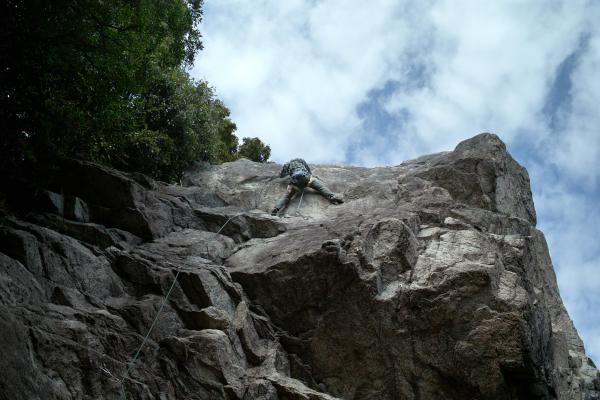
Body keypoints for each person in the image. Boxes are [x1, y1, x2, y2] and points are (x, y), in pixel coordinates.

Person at [271, 158, 343, 216]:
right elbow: (308, 170)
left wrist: (285, 173)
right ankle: (332, 197)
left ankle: (277, 208)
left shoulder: (287, 165)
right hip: (306, 178)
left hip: (294, 182)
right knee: (320, 187)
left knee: (287, 196)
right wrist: (310, 176)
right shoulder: (300, 160)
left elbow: (282, 175)